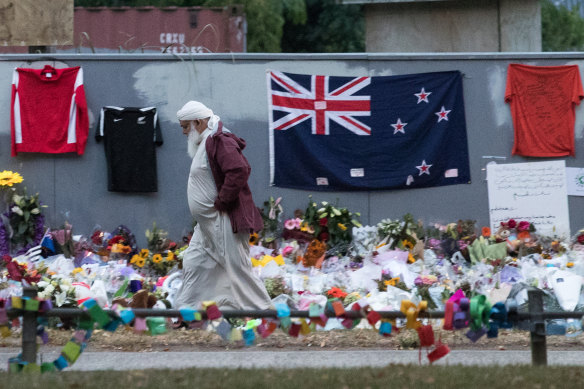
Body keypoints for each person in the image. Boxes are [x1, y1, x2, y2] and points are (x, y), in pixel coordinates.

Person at [174, 100, 272, 311]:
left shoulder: (219, 140)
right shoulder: (207, 140)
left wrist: (222, 201)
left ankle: (265, 314)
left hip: (222, 220)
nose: (183, 132)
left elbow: (239, 170)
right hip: (207, 223)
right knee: (195, 261)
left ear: (198, 122)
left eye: (184, 126)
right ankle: (188, 310)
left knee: (237, 268)